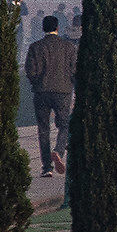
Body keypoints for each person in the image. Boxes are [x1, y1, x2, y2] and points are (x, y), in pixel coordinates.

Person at [23, 13, 78, 175]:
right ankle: (59, 151)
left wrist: (37, 83)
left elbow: (30, 71)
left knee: (43, 128)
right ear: (57, 28)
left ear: (43, 28)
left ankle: (47, 167)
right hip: (63, 91)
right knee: (65, 125)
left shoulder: (35, 47)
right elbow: (74, 70)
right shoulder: (68, 47)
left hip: (41, 92)